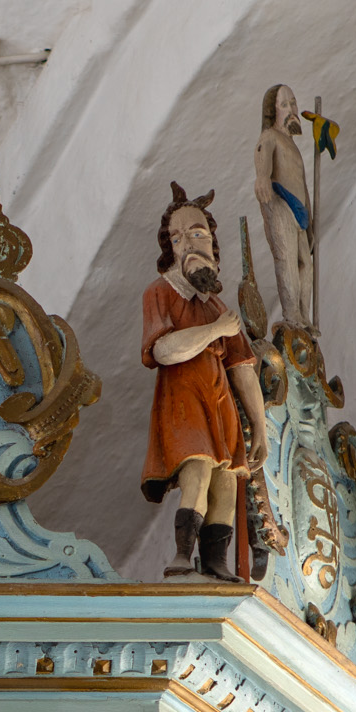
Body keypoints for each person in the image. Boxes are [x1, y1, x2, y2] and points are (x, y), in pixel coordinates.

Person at [139, 181, 270, 580]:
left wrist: (260, 427)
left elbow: (242, 368)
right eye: (178, 238)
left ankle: (216, 562)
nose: (188, 245)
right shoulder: (161, 293)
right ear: (170, 249)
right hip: (184, 398)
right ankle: (183, 556)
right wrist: (215, 331)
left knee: (226, 481)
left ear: (212, 242)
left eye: (197, 234)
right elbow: (163, 350)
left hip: (219, 401)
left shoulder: (217, 306)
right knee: (196, 470)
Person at [254, 84, 314, 332]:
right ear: (272, 112)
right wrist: (262, 177)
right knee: (287, 260)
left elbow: (303, 184)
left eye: (294, 103)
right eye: (284, 105)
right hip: (280, 201)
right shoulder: (270, 136)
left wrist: (310, 221)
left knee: (306, 265)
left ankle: (304, 316)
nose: (292, 109)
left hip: (300, 210)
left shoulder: (292, 144)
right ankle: (292, 315)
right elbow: (263, 157)